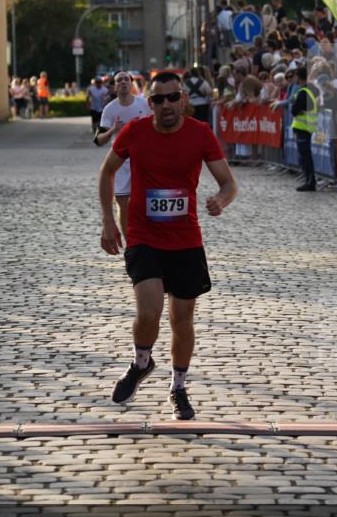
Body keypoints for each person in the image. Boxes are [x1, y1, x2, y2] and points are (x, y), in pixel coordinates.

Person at [98, 70, 237, 421]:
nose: (166, 105)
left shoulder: (200, 134)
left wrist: (221, 199)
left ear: (183, 100)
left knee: (181, 320)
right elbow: (107, 171)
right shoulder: (136, 132)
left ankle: (178, 387)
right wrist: (109, 220)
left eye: (172, 97)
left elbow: (228, 183)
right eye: (158, 99)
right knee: (149, 310)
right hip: (144, 236)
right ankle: (141, 362)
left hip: (186, 239)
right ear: (150, 104)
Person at [94, 70, 150, 239]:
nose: (123, 82)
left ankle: (147, 239)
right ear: (114, 86)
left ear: (131, 83)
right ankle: (130, 244)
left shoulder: (144, 104)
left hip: (144, 160)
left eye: (126, 79)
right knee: (123, 204)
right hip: (120, 161)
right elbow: (99, 140)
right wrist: (113, 130)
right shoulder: (110, 110)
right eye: (119, 80)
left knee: (144, 204)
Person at [291, 65, 318, 191]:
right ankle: (309, 180)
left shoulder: (303, 92)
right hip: (307, 128)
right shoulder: (310, 90)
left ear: (298, 77)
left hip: (303, 129)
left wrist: (296, 109)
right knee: (306, 157)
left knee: (305, 157)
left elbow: (294, 110)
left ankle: (310, 182)